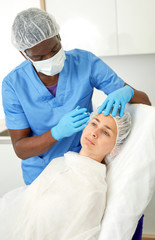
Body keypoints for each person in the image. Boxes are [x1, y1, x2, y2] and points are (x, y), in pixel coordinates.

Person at [2, 8, 151, 186]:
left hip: (84, 167)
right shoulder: (13, 84)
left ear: (59, 37)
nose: (50, 58)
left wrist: (128, 92)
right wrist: (56, 133)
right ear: (24, 54)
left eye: (54, 49)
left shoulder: (85, 63)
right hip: (41, 176)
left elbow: (146, 103)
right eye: (40, 57)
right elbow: (20, 149)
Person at [0, 111, 132, 240]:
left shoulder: (92, 188)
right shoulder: (62, 161)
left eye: (105, 132)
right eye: (94, 124)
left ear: (115, 148)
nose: (94, 133)